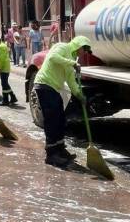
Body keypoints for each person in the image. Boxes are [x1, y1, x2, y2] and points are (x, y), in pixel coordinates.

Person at [33, 36, 90, 168]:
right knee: (52, 120)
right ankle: (51, 154)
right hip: (44, 84)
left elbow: (71, 82)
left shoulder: (70, 61)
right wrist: (72, 63)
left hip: (53, 89)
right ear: (78, 45)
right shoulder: (62, 47)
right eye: (84, 49)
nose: (84, 52)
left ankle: (59, 149)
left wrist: (79, 95)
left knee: (60, 119)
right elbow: (53, 57)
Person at [0, 35, 18, 106]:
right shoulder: (3, 46)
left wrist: (0, 67)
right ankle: (12, 97)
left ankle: (6, 100)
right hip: (5, 67)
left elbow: (2, 59)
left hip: (4, 68)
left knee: (4, 84)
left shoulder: (1, 47)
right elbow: (0, 58)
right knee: (5, 84)